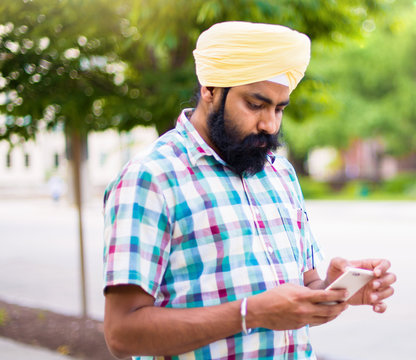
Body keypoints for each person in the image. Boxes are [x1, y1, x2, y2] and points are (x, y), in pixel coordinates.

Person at [102, 21, 396, 360]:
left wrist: (331, 291)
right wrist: (249, 313)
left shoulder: (279, 172)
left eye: (279, 108)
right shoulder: (150, 177)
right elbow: (122, 334)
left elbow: (299, 290)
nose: (269, 124)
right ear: (210, 89)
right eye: (256, 105)